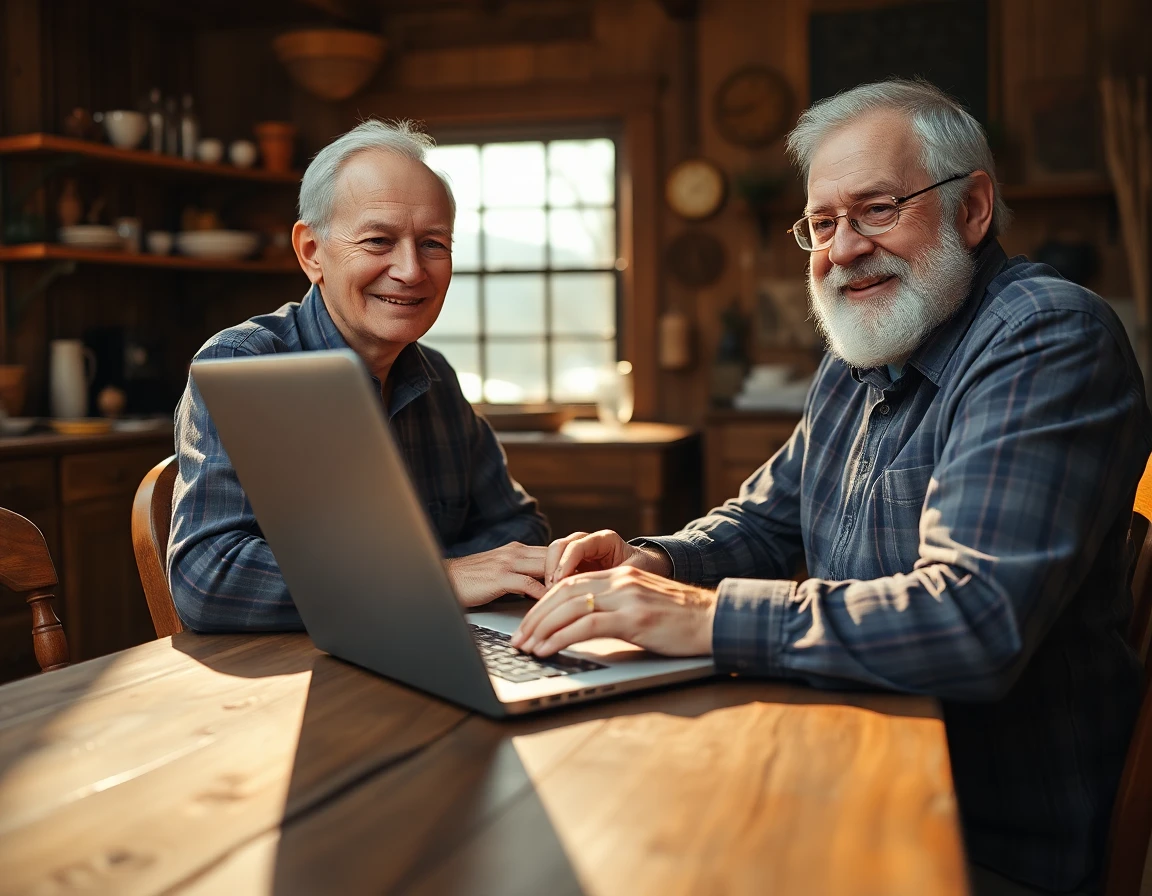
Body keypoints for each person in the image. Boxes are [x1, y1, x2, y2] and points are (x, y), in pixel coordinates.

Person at [513, 80, 1151, 895]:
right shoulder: (864, 349)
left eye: (877, 209)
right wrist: (652, 563)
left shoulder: (1046, 336)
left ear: (974, 209)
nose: (843, 249)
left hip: (980, 838)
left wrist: (702, 617)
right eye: (822, 222)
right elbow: (770, 522)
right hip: (846, 765)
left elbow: (975, 618)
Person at [169, 119, 549, 631]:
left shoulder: (435, 376)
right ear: (311, 252)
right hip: (294, 682)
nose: (412, 270)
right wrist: (436, 578)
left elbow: (518, 528)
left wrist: (455, 578)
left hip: (431, 649)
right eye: (378, 241)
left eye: (433, 243)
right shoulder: (243, 364)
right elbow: (207, 581)